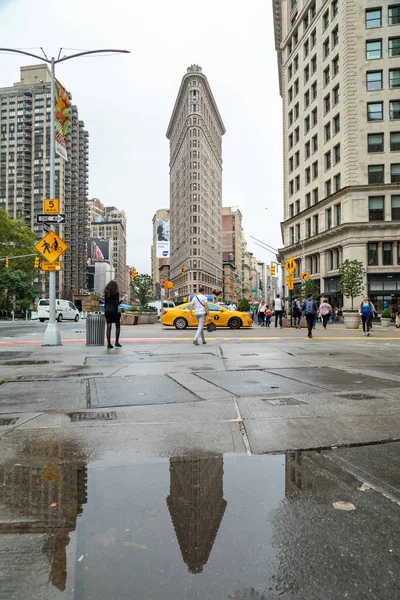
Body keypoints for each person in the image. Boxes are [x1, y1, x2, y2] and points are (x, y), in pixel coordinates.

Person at [104, 280, 127, 349]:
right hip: (114, 310)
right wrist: (122, 299)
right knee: (117, 326)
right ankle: (116, 342)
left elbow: (105, 303)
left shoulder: (106, 292)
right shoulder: (116, 293)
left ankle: (109, 344)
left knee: (108, 327)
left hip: (107, 310)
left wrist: (106, 310)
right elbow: (117, 304)